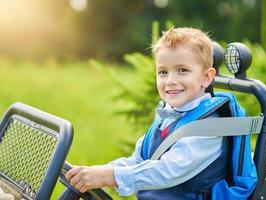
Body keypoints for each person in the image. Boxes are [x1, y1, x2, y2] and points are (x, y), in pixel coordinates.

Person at [66, 27, 229, 200]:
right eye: (163, 72)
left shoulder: (208, 129)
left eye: (182, 70)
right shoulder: (166, 117)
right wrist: (97, 172)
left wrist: (110, 176)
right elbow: (138, 160)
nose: (171, 81)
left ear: (206, 77)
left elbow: (167, 171)